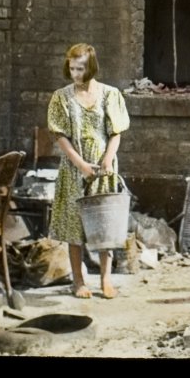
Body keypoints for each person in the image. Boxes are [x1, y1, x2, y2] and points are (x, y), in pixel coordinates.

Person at [47, 43, 131, 299]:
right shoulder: (61, 97)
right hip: (75, 168)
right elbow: (60, 135)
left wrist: (107, 160)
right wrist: (81, 165)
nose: (76, 74)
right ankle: (79, 281)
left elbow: (116, 132)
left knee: (105, 223)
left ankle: (106, 279)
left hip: (103, 167)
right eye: (72, 69)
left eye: (81, 69)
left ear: (91, 67)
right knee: (75, 226)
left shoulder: (110, 94)